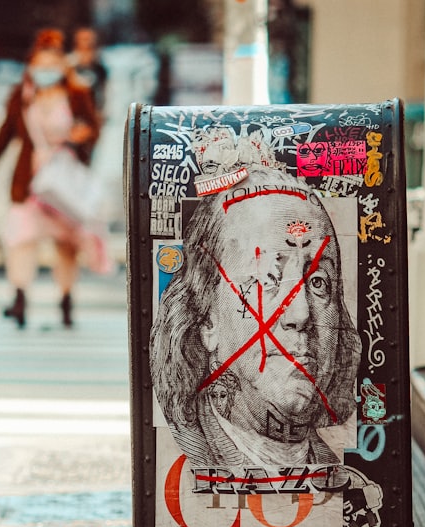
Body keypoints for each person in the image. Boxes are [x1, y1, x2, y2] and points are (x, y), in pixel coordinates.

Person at [150, 166, 361, 470]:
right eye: (266, 279)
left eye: (318, 281)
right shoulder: (189, 456)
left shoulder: (342, 473)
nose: (300, 314)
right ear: (207, 320)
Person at [0, 29, 100, 329]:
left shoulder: (77, 94)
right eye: (39, 67)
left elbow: (93, 128)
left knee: (65, 245)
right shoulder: (22, 96)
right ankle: (19, 299)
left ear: (62, 68)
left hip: (64, 182)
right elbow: (6, 134)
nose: (45, 73)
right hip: (28, 181)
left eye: (51, 67)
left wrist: (82, 136)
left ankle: (66, 301)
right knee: (20, 239)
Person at [68, 27, 107, 121]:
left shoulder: (101, 69)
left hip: (94, 119)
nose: (87, 43)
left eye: (90, 40)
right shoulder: (67, 67)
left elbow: (103, 95)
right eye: (83, 39)